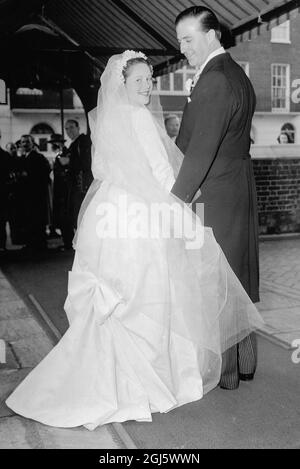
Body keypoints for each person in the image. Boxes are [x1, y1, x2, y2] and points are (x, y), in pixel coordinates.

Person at [6, 51, 263, 429]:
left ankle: (101, 374)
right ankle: (147, 376)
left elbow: (101, 169)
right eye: (139, 80)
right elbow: (161, 172)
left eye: (149, 79)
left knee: (125, 291)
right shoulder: (141, 118)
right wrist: (180, 209)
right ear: (122, 84)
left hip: (111, 212)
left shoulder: (108, 120)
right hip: (141, 214)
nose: (146, 86)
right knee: (151, 289)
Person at [171, 6, 260, 390]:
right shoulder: (235, 74)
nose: (183, 48)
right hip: (235, 185)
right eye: (179, 41)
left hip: (215, 190)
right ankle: (244, 364)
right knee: (237, 273)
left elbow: (200, 150)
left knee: (218, 277)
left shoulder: (215, 80)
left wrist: (173, 201)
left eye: (188, 39)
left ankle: (225, 375)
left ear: (211, 35)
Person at [18, 135, 51, 252]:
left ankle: (39, 244)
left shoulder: (38, 157)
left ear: (32, 143)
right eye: (23, 142)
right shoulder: (23, 158)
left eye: (27, 142)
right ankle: (31, 243)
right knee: (28, 219)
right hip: (26, 195)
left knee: (37, 219)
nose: (25, 144)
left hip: (36, 195)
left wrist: (29, 176)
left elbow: (44, 174)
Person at [64, 119, 93, 232]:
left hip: (81, 187)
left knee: (81, 215)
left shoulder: (83, 141)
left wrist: (69, 161)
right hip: (75, 188)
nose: (69, 131)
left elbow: (86, 162)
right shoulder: (74, 144)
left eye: (71, 127)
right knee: (75, 215)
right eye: (66, 128)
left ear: (78, 127)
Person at [49, 133, 74, 250]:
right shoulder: (59, 154)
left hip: (64, 189)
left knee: (65, 216)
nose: (52, 146)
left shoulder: (64, 153)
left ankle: (69, 242)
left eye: (53, 144)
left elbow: (66, 168)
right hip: (59, 188)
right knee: (62, 216)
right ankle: (66, 240)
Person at [0, 131, 13, 251]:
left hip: (2, 193)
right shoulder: (5, 155)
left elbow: (10, 175)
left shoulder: (5, 156)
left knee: (1, 221)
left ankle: (2, 245)